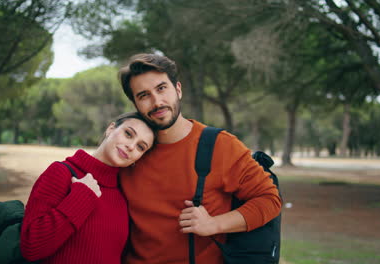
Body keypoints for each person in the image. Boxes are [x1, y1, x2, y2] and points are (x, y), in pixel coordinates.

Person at [118, 54, 282, 264]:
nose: (157, 102)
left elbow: (269, 200)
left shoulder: (220, 145)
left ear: (178, 89)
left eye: (161, 88)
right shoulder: (130, 151)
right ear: (135, 103)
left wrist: (215, 224)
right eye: (143, 95)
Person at [20, 112, 156, 264]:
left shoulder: (124, 194)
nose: (131, 147)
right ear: (110, 129)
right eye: (128, 134)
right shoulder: (61, 173)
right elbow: (31, 247)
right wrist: (82, 197)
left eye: (140, 147)